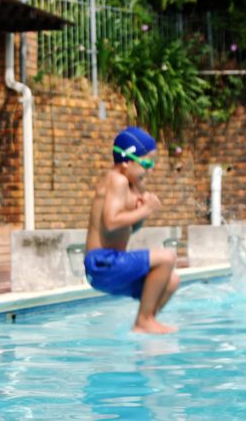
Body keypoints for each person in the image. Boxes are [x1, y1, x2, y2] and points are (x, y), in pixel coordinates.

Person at [83, 127, 180, 334]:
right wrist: (146, 208)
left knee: (171, 281)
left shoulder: (128, 186)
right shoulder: (116, 180)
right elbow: (110, 222)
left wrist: (140, 214)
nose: (150, 169)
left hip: (111, 264)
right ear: (126, 161)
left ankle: (145, 324)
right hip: (102, 262)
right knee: (167, 257)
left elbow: (126, 228)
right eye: (146, 163)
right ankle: (143, 321)